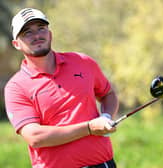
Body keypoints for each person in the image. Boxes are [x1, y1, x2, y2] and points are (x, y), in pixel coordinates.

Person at [4, 8, 119, 168]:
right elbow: (35, 137)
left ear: (50, 34)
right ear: (16, 44)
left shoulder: (83, 62)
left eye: (41, 29)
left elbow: (108, 94)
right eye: (27, 33)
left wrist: (106, 116)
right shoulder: (16, 87)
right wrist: (89, 128)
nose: (37, 36)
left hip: (103, 164)